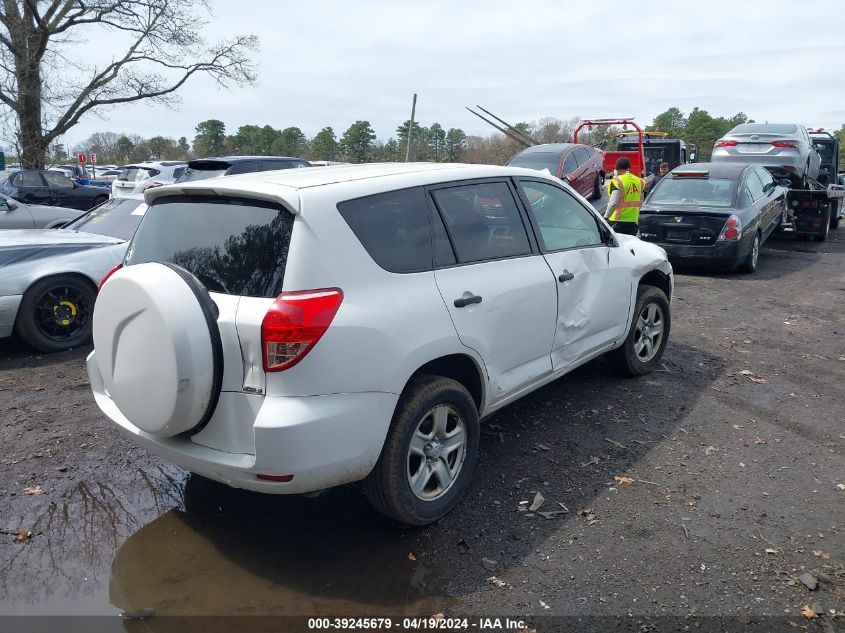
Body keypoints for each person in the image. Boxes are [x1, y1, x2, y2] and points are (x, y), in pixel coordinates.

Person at [604, 157, 644, 235]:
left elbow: (613, 203)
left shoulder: (617, 181)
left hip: (617, 221)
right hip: (633, 221)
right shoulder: (640, 181)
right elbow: (641, 201)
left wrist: (605, 218)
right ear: (628, 167)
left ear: (617, 168)